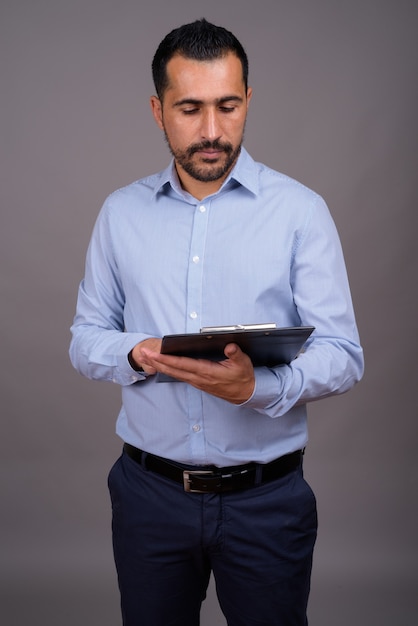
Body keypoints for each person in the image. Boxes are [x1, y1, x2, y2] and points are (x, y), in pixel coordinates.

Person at [69, 18, 364, 626]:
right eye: (189, 109)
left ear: (248, 100)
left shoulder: (301, 213)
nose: (211, 131)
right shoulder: (120, 214)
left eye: (228, 106)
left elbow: (342, 353)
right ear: (158, 110)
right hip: (149, 499)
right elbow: (85, 339)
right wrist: (141, 351)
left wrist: (258, 389)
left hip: (268, 503)